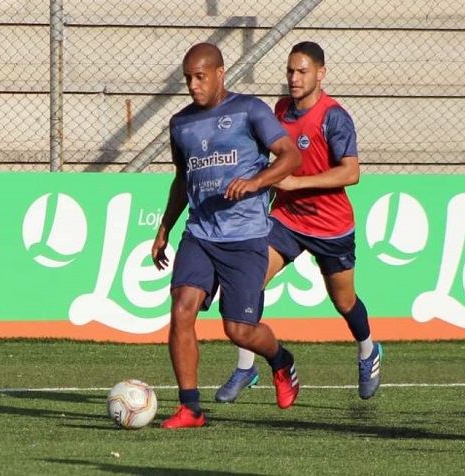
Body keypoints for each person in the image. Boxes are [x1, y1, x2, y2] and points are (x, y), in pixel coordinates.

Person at [215, 41, 383, 405]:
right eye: (290, 70)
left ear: (320, 73)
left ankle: (368, 350)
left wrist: (296, 182)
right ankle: (247, 365)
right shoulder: (280, 110)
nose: (294, 78)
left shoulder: (334, 116)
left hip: (330, 225)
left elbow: (351, 172)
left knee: (344, 301)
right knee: (249, 281)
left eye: (302, 71)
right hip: (286, 218)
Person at [152, 42, 302, 429]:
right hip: (200, 233)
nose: (193, 85)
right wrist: (164, 229)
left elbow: (290, 156)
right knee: (181, 309)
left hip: (246, 237)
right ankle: (190, 408)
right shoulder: (181, 124)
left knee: (239, 330)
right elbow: (182, 181)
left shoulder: (250, 110)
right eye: (187, 78)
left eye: (200, 77)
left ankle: (281, 360)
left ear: (220, 73)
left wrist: (256, 182)